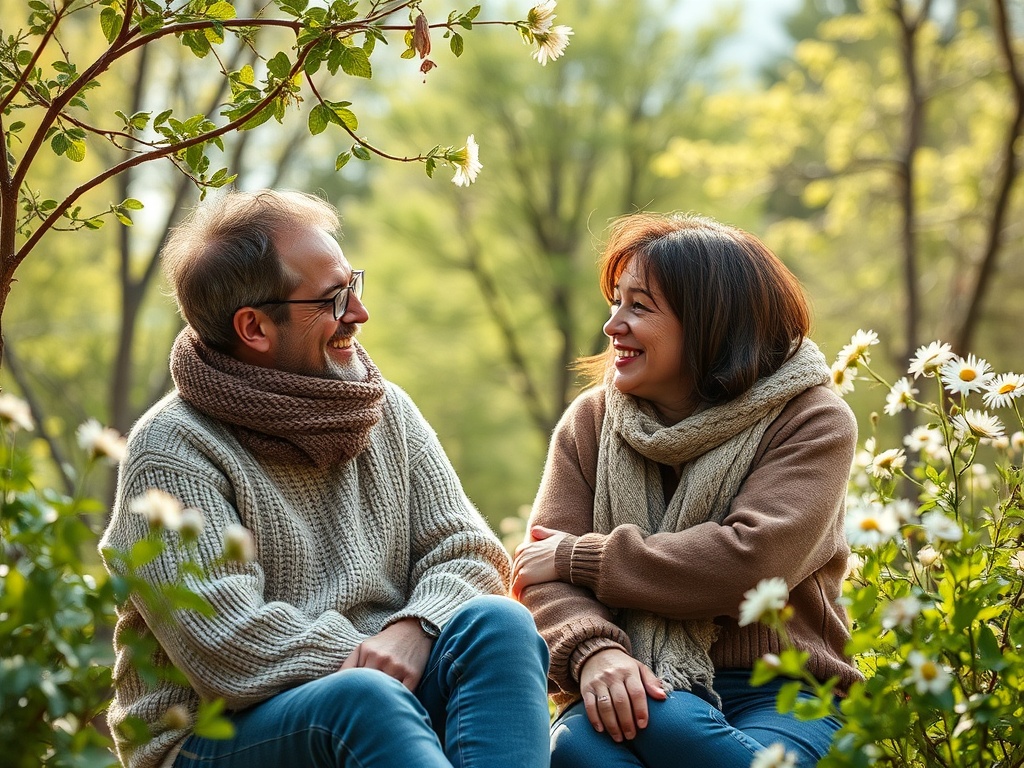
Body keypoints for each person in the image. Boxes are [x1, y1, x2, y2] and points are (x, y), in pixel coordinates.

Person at [99, 189, 551, 768]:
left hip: (379, 693)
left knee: (500, 624)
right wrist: (377, 656)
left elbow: (468, 553)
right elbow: (230, 650)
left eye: (353, 285)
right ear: (255, 327)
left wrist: (415, 628)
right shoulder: (172, 451)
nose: (359, 313)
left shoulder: (382, 408)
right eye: (334, 299)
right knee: (365, 698)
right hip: (209, 736)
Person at [510, 212, 860, 768]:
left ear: (709, 324)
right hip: (625, 672)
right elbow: (535, 572)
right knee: (576, 752)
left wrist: (581, 559)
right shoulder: (590, 422)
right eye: (615, 301)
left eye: (639, 306)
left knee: (669, 722)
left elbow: (751, 564)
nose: (612, 325)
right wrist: (595, 652)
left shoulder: (813, 419)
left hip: (784, 688)